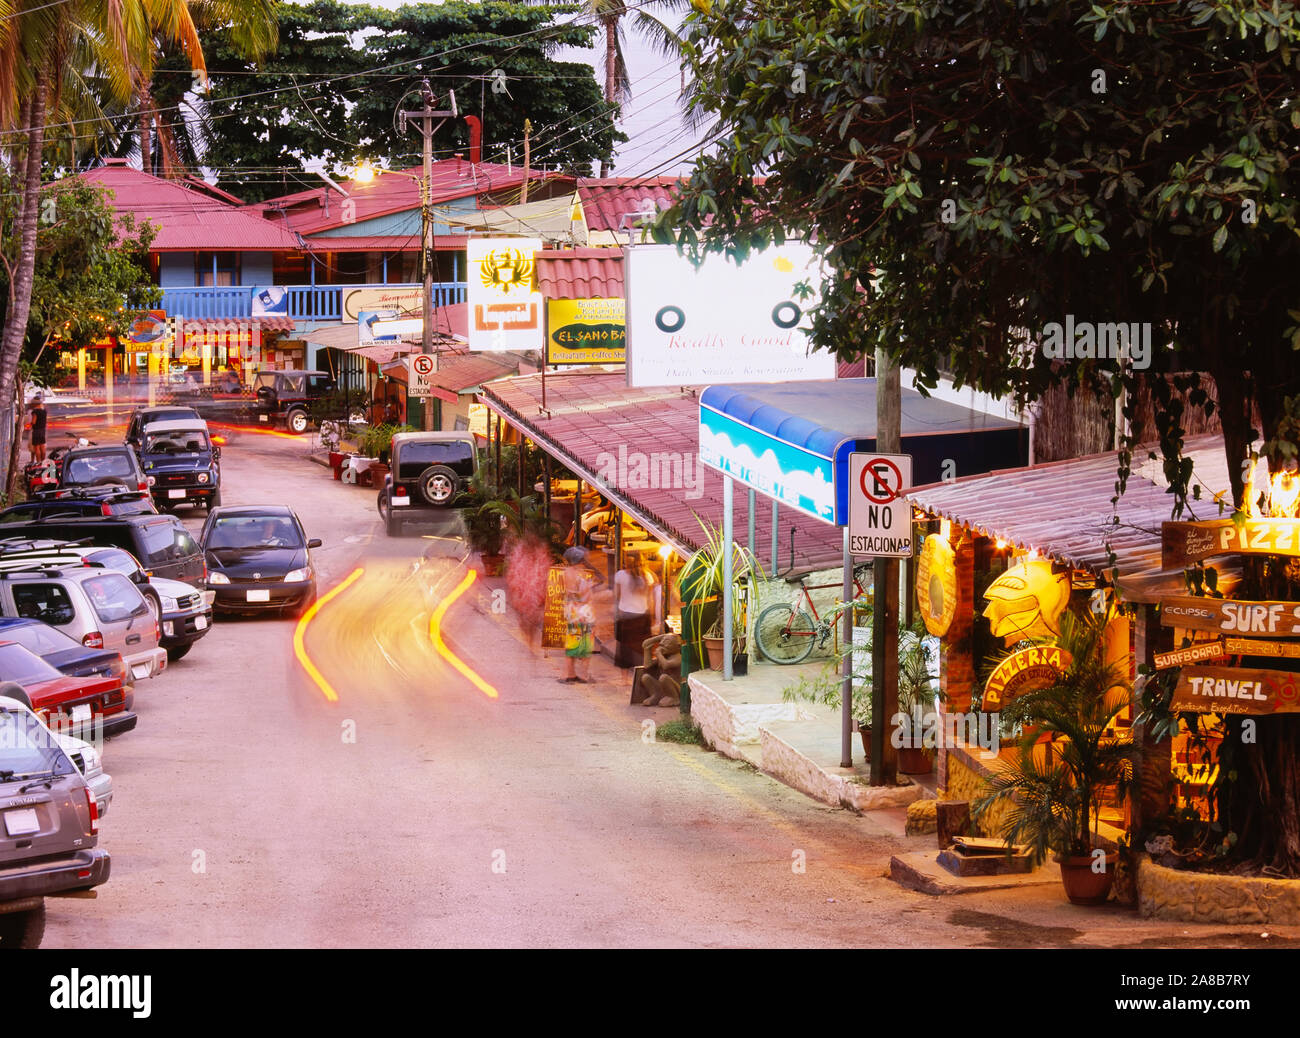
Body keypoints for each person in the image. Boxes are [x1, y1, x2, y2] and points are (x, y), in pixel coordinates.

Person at [613, 551, 660, 668]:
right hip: (642, 615)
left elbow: (616, 595)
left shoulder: (619, 575)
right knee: (642, 648)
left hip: (625, 615)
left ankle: (624, 679)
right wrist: (653, 617)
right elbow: (650, 600)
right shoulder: (647, 577)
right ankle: (639, 674)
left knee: (624, 649)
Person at [560, 546, 595, 683]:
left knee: (572, 643)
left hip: (571, 611)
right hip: (582, 612)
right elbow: (584, 596)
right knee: (586, 643)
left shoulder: (565, 573)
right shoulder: (579, 575)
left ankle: (571, 673)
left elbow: (567, 593)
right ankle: (584, 674)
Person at [27, 394, 46, 463]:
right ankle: (43, 461)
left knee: (37, 448)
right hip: (43, 430)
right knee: (42, 447)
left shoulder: (35, 412)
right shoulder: (44, 411)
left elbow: (34, 422)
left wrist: (31, 423)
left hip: (36, 431)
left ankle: (38, 462)